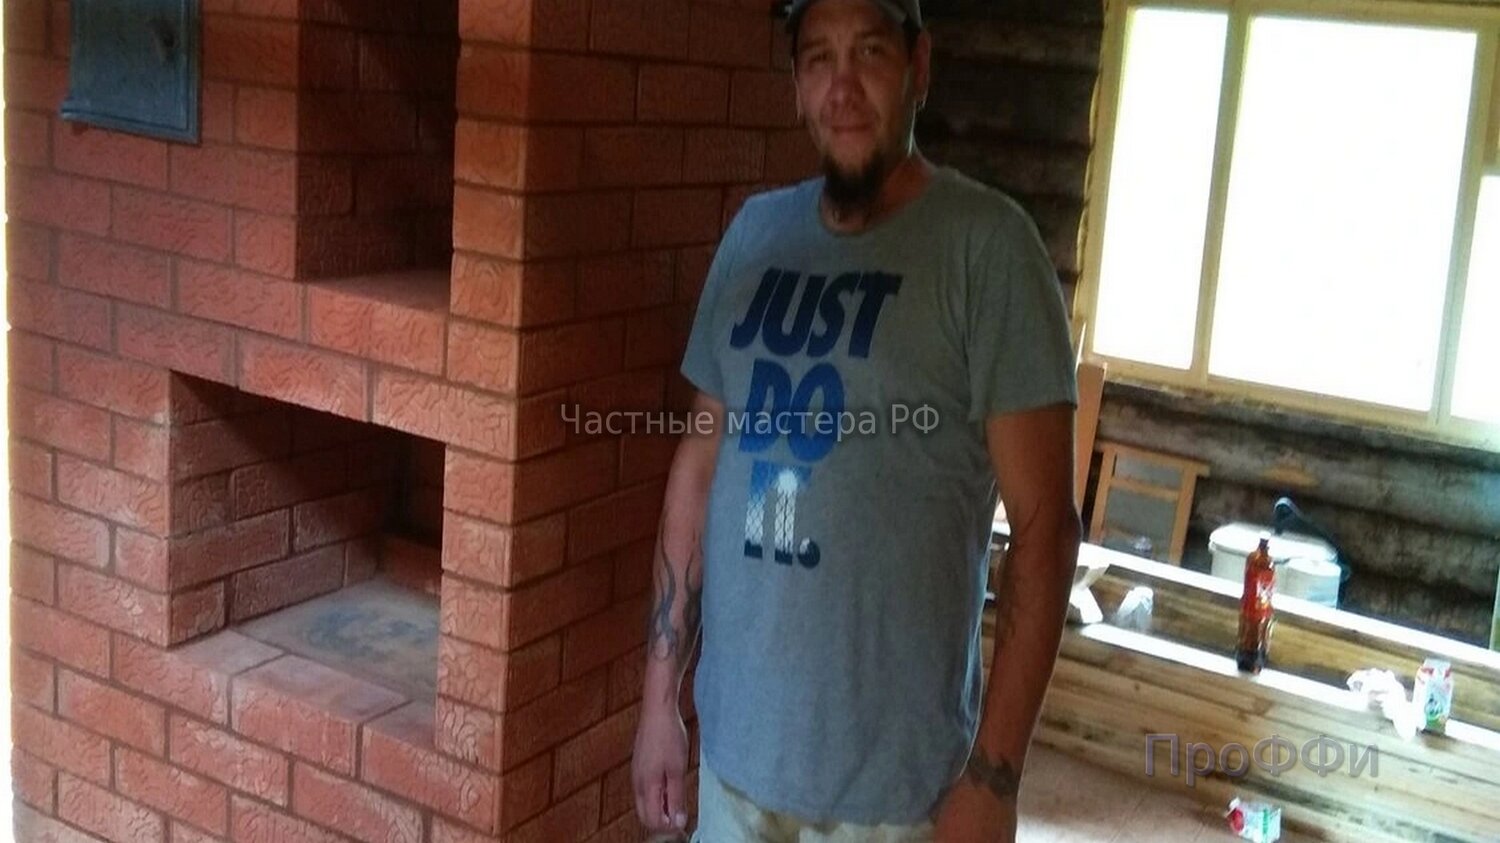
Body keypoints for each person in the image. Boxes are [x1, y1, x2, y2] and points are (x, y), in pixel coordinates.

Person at [630, 0, 1083, 840]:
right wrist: (661, 702)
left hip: (894, 798)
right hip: (735, 767)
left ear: (919, 67)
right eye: (818, 60)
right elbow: (697, 472)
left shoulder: (987, 249)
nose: (842, 88)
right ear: (797, 87)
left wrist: (994, 775)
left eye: (869, 53)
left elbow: (1045, 528)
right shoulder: (753, 235)